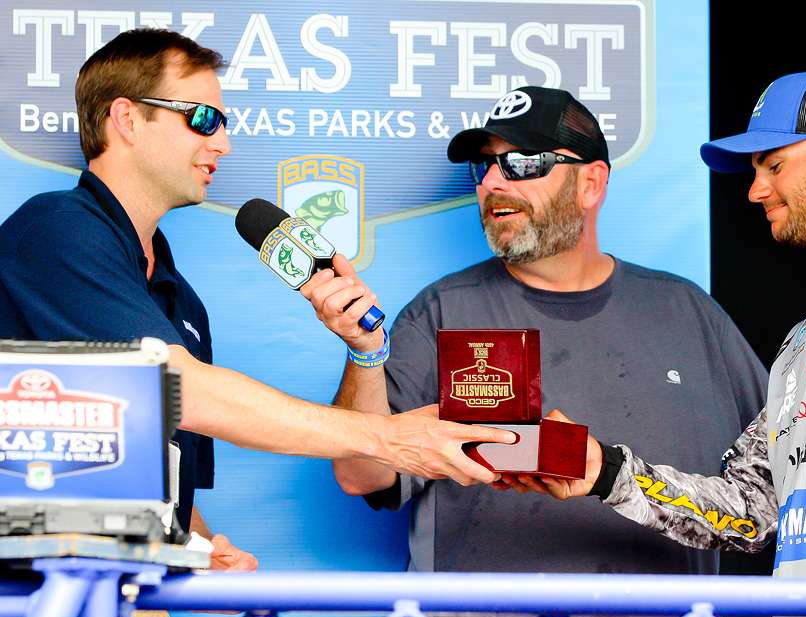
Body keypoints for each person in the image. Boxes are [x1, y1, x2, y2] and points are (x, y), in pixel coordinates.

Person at [0, 29, 515, 564]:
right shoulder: (57, 229)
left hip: (119, 586)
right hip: (32, 590)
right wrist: (386, 437)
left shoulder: (180, 301)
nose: (223, 144)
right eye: (203, 119)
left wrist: (202, 554)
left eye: (224, 124)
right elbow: (179, 390)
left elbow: (163, 477)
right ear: (127, 119)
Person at [503, 70, 806, 617]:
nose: (755, 190)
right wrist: (603, 471)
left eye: (774, 165)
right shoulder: (799, 344)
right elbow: (749, 510)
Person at [302, 86, 768, 617]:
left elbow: (778, 485)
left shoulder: (688, 311)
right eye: (485, 166)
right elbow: (360, 474)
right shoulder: (441, 311)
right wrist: (362, 350)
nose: (493, 183)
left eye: (523, 163)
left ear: (591, 183)